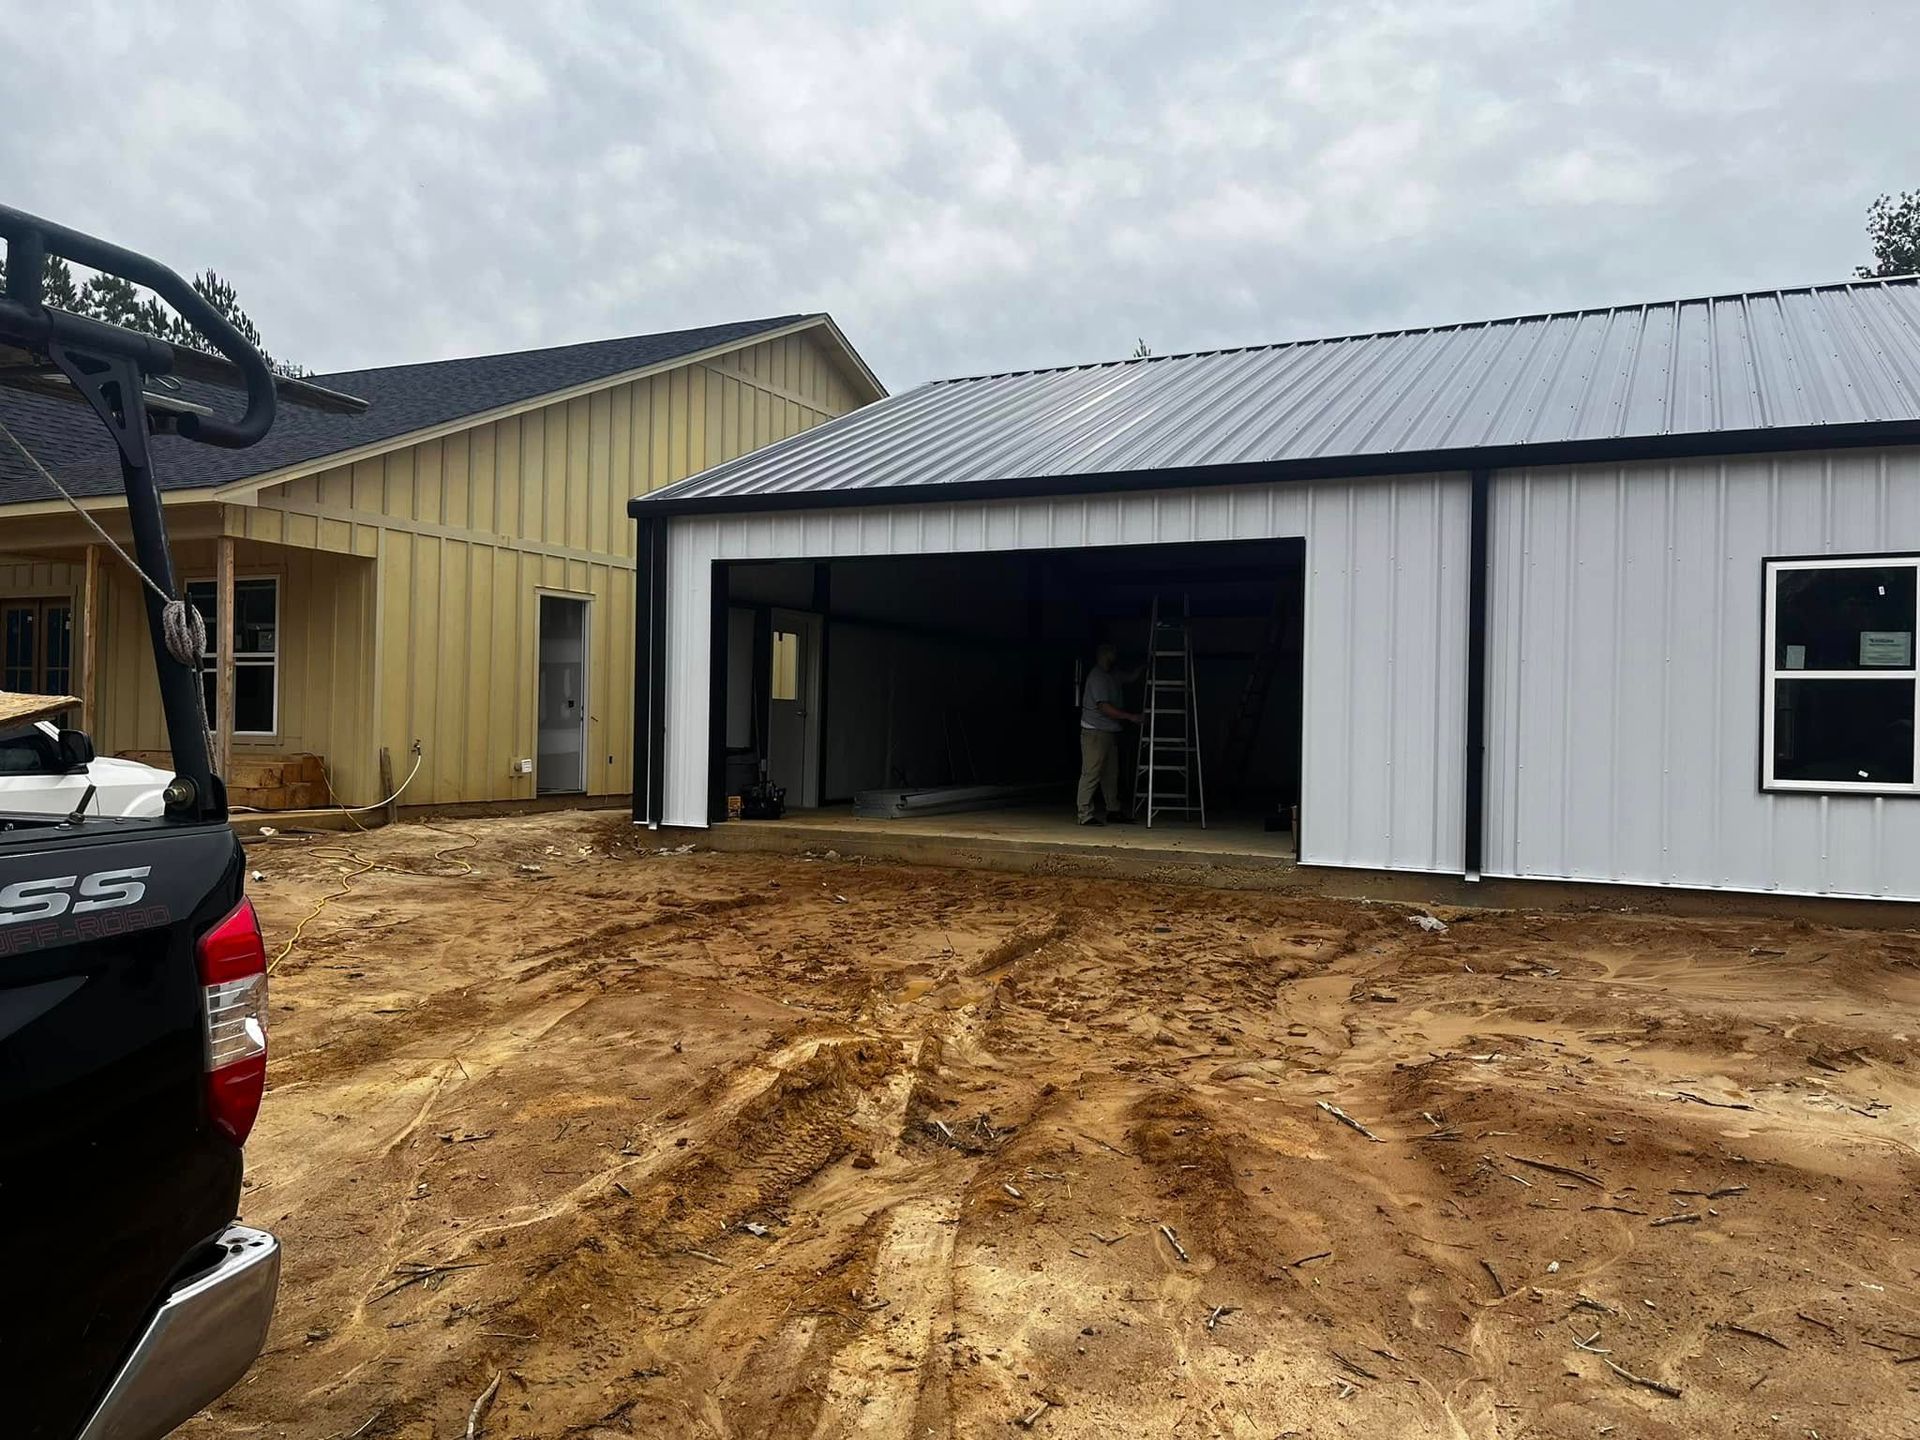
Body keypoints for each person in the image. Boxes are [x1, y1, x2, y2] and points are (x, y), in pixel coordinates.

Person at [1077, 642, 1140, 826]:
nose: (1116, 654)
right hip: (1095, 730)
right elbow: (1104, 707)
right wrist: (1130, 717)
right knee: (1091, 772)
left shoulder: (1112, 675)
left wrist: (1144, 667)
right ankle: (1084, 814)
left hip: (1109, 730)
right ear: (1105, 654)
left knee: (1111, 774)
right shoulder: (1097, 677)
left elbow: (1130, 677)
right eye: (1113, 651)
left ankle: (1113, 809)